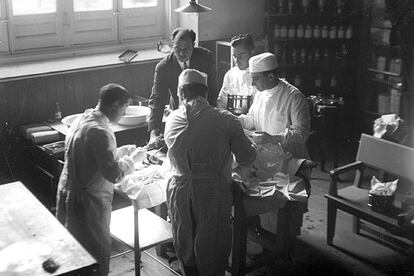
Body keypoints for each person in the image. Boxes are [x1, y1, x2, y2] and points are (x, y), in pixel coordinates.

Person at [164, 69, 256, 275]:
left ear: (180, 93)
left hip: (180, 188)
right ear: (206, 94)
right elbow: (247, 157)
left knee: (184, 237)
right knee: (212, 242)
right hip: (211, 191)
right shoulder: (226, 120)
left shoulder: (172, 119)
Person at [56, 83, 144, 276]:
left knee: (75, 256)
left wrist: (121, 151)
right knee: (95, 256)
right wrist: (133, 160)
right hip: (88, 203)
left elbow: (91, 158)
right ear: (114, 105)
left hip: (70, 192)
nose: (124, 113)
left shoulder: (83, 119)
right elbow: (113, 174)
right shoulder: (101, 131)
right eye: (124, 108)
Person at [148, 28, 217, 148]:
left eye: (186, 49)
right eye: (177, 49)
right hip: (178, 114)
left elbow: (212, 91)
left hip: (204, 111)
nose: (181, 53)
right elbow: (157, 99)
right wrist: (154, 132)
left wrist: (209, 120)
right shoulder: (164, 67)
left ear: (193, 46)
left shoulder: (205, 58)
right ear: (172, 45)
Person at [238, 52, 311, 159]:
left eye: (256, 78)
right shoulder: (261, 92)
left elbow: (302, 134)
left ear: (271, 77)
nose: (252, 83)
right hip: (267, 157)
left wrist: (273, 139)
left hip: (290, 158)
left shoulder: (294, 97)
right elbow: (253, 118)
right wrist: (238, 121)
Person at [216, 33, 257, 111]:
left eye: (241, 56)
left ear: (252, 53)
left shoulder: (259, 75)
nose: (237, 61)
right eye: (234, 56)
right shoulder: (230, 74)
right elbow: (221, 103)